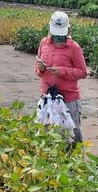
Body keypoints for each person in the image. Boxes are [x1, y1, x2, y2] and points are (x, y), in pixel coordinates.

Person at [35, 11, 88, 144]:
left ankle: (74, 162)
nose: (59, 36)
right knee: (47, 133)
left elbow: (82, 72)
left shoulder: (74, 48)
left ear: (68, 30)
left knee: (72, 135)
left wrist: (63, 71)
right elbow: (38, 70)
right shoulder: (44, 44)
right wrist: (40, 69)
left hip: (69, 98)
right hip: (48, 98)